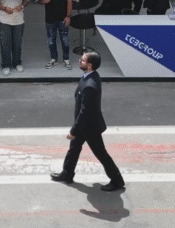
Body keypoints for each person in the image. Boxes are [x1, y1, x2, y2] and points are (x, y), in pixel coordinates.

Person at [50, 51, 125, 192]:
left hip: (89, 127)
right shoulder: (90, 76)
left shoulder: (90, 85)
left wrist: (73, 131)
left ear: (89, 65)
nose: (80, 61)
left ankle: (117, 180)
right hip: (84, 125)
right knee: (73, 149)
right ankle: (67, 173)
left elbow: (85, 112)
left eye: (83, 60)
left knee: (101, 154)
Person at [37, 0, 73, 70]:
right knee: (51, 40)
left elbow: (69, 1)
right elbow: (39, 0)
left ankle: (66, 59)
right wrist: (43, 1)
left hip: (63, 18)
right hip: (50, 19)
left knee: (65, 40)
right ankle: (53, 59)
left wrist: (68, 16)